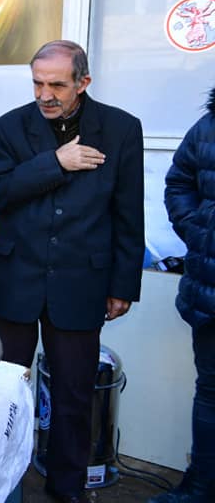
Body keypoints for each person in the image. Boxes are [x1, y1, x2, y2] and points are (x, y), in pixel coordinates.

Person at [0, 40, 144, 503]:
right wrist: (55, 162)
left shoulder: (121, 129)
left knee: (73, 397)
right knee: (1, 392)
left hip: (81, 282)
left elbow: (128, 213)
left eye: (56, 84)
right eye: (37, 83)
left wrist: (123, 284)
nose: (44, 94)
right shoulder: (9, 127)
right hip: (17, 279)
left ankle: (66, 489)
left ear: (83, 83)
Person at [158, 88, 215, 502]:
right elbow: (178, 180)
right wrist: (199, 230)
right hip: (210, 292)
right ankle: (199, 489)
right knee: (211, 394)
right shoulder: (208, 127)